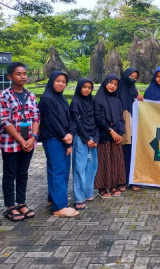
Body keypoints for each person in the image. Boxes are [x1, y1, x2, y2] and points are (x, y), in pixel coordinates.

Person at [0, 62, 39, 222]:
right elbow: (4, 120)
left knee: (23, 174)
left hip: (29, 142)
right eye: (18, 73)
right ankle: (10, 206)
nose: (22, 76)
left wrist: (33, 138)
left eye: (24, 73)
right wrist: (21, 140)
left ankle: (21, 203)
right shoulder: (4, 96)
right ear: (10, 76)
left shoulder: (30, 95)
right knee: (10, 174)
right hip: (11, 142)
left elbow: (36, 117)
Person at [39, 71, 79, 217]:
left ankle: (52, 199)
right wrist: (65, 137)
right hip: (53, 139)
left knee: (60, 169)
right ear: (51, 82)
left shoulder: (61, 99)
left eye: (63, 82)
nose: (61, 84)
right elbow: (51, 122)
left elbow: (70, 120)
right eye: (58, 81)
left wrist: (71, 134)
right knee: (58, 170)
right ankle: (59, 207)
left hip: (64, 139)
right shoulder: (46, 100)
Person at [94, 74, 126, 198]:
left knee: (115, 161)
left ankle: (113, 185)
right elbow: (98, 118)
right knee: (104, 162)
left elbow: (120, 118)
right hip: (104, 135)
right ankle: (102, 187)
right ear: (105, 83)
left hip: (116, 136)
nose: (112, 86)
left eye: (115, 84)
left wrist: (121, 133)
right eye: (110, 83)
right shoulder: (98, 99)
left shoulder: (117, 100)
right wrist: (110, 131)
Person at [70, 78, 99, 210]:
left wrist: (95, 138)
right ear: (79, 87)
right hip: (81, 138)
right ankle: (79, 197)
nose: (87, 89)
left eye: (89, 87)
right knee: (79, 167)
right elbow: (76, 122)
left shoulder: (91, 102)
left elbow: (96, 119)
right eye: (84, 87)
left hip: (93, 136)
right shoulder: (75, 102)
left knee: (92, 166)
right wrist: (87, 138)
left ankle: (88, 192)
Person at [118, 68, 142, 192]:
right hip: (123, 128)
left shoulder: (134, 90)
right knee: (123, 154)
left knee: (134, 155)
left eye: (135, 77)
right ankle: (122, 180)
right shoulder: (118, 90)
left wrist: (140, 100)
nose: (132, 78)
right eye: (131, 76)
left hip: (135, 127)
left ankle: (133, 180)